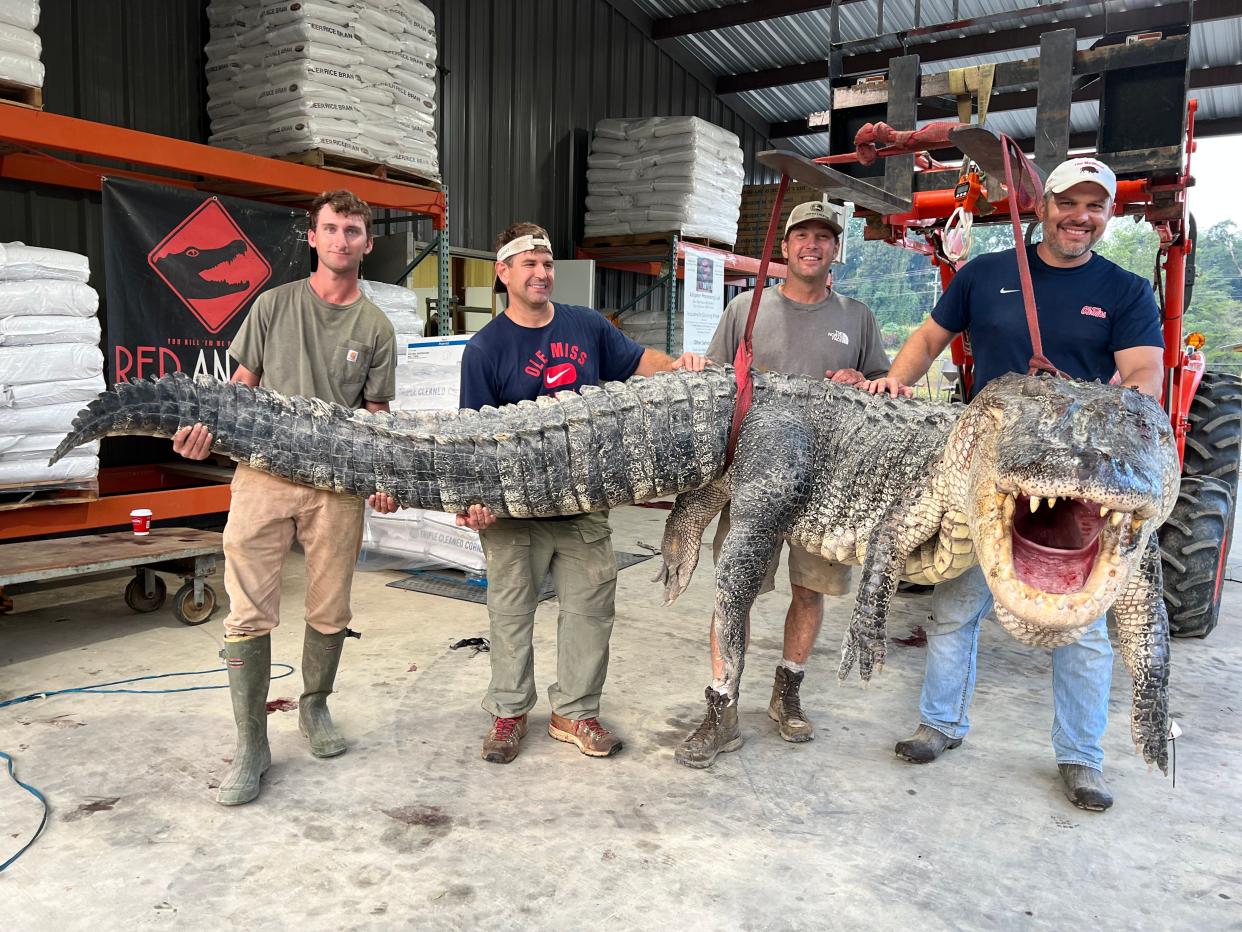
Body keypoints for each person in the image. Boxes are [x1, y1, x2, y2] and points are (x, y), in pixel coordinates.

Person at [863, 157, 1165, 811]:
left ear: (1108, 216)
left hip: (1075, 483)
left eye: (1095, 207)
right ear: (1041, 206)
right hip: (991, 477)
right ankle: (940, 724)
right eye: (1069, 203)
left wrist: (1107, 414)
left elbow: (1144, 377)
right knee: (954, 607)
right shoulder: (987, 275)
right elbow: (929, 337)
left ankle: (1082, 759)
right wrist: (897, 381)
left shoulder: (1126, 291)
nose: (1080, 217)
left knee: (1080, 626)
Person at [171, 190, 400, 806]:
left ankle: (315, 707)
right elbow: (236, 395)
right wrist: (204, 439)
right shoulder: (272, 307)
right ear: (313, 237)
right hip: (263, 479)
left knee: (330, 609)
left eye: (353, 230)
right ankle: (251, 744)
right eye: (330, 228)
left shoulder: (375, 327)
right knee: (247, 611)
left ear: (367, 242)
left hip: (337, 489)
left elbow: (375, 416)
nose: (341, 240)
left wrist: (382, 476)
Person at [458, 222, 707, 765]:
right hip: (513, 512)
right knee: (509, 612)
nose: (542, 273)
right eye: (529, 263)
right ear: (503, 272)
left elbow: (641, 362)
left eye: (547, 263)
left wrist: (681, 366)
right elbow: (472, 439)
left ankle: (575, 711)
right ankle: (508, 712)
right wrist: (472, 502)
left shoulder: (587, 325)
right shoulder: (484, 349)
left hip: (582, 504)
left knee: (591, 609)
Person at [676, 200, 892, 768]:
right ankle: (721, 704)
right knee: (735, 590)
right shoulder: (746, 310)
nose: (812, 246)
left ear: (835, 250)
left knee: (810, 590)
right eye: (802, 236)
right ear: (786, 246)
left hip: (828, 488)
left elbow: (883, 389)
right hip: (752, 482)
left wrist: (862, 381)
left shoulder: (858, 317)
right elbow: (717, 388)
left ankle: (787, 690)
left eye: (824, 237)